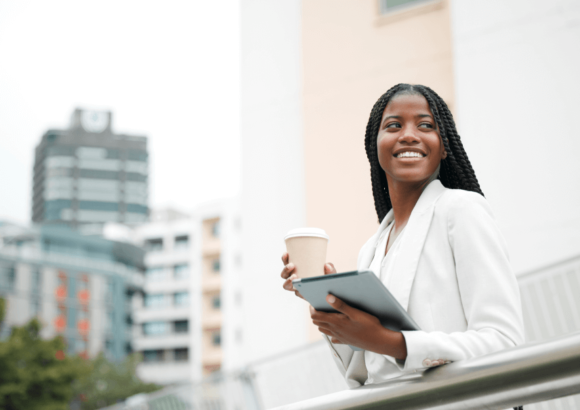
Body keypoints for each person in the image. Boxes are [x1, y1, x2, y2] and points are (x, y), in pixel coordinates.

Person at [280, 83, 524, 407]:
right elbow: (369, 373)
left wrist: (392, 342)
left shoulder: (461, 211)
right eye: (393, 125)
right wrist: (329, 305)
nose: (409, 135)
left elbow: (504, 342)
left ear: (444, 145)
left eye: (425, 125)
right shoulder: (372, 248)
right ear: (374, 145)